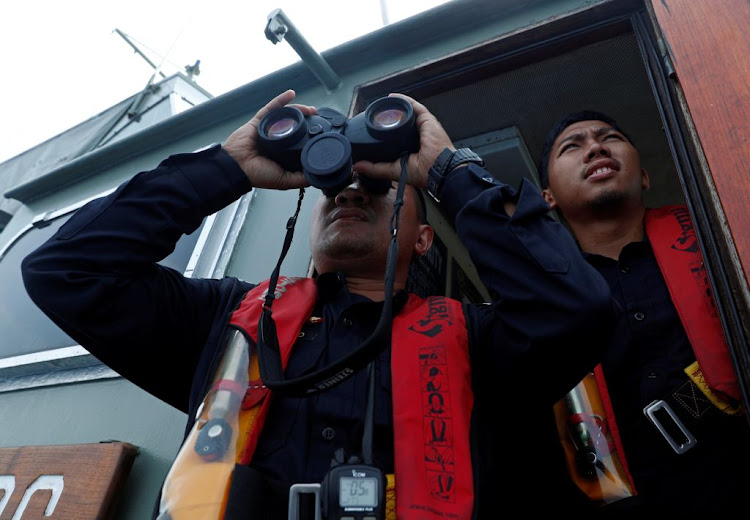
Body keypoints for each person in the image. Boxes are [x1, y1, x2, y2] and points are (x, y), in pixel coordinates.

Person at [21, 90, 616, 519]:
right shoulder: (226, 326)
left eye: (381, 185)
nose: (352, 189)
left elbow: (578, 311)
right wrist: (225, 168)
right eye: (335, 185)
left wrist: (447, 171)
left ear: (425, 237)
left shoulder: (481, 341)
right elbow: (65, 270)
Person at [538, 110, 750, 515]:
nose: (595, 147)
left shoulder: (721, 242)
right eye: (573, 146)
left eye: (609, 138)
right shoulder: (549, 301)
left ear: (645, 177)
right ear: (548, 198)